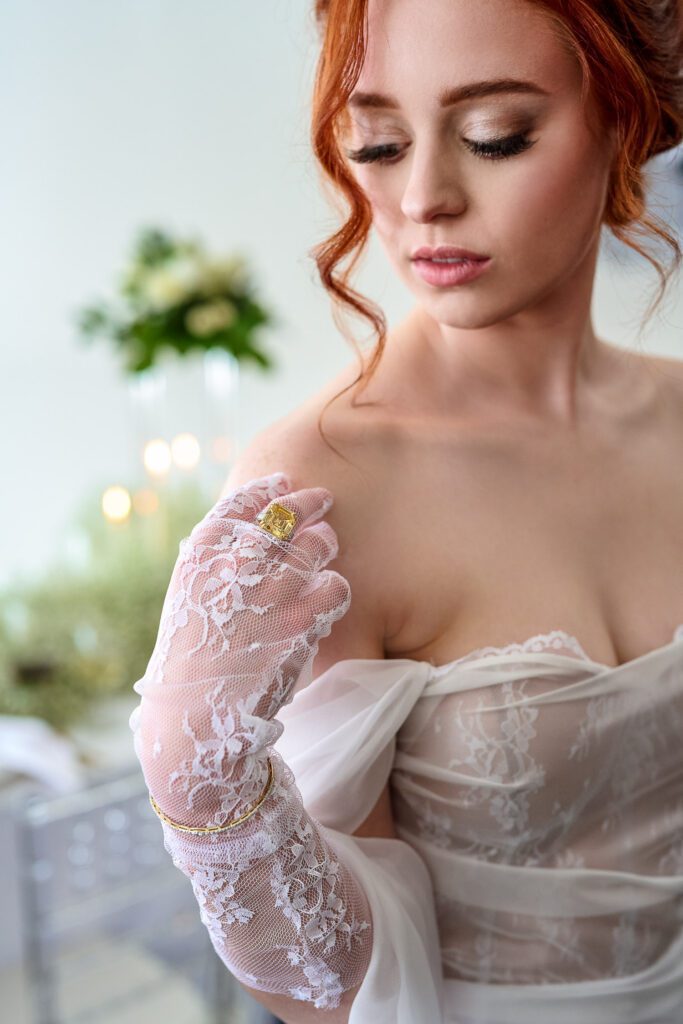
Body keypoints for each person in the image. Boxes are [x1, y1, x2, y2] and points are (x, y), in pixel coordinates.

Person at [130, 1, 683, 1021]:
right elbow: (334, 995)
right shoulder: (320, 488)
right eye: (376, 143)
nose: (422, 196)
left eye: (493, 137)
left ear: (624, 117)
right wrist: (209, 800)